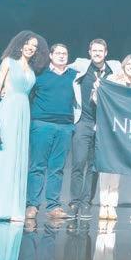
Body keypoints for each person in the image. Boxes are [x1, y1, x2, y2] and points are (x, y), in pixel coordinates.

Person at [0, 30, 48, 221]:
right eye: (28, 43)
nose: (31, 47)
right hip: (7, 111)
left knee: (16, 158)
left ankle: (13, 208)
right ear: (20, 44)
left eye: (35, 46)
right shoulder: (8, 62)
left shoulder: (32, 69)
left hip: (23, 113)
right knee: (2, 157)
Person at [67, 39, 122, 220]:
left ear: (106, 53)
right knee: (78, 163)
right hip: (83, 121)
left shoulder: (114, 69)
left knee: (94, 166)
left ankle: (86, 203)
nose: (97, 53)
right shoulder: (81, 65)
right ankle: (74, 202)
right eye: (94, 50)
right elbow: (61, 67)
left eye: (100, 51)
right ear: (89, 52)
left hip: (103, 124)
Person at [25, 43, 78, 221]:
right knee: (37, 166)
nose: (62, 56)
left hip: (65, 127)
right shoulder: (40, 74)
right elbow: (25, 92)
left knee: (57, 168)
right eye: (58, 53)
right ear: (51, 55)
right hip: (42, 125)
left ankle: (53, 206)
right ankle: (32, 205)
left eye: (65, 53)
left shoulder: (74, 75)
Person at [93, 54, 131, 221]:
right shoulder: (112, 81)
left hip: (125, 132)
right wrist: (98, 89)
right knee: (106, 167)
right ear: (123, 66)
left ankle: (112, 205)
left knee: (117, 169)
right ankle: (103, 205)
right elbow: (97, 100)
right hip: (108, 129)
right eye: (129, 64)